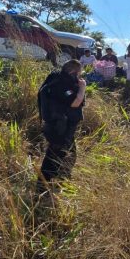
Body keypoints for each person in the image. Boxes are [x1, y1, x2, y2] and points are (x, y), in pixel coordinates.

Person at [37, 59, 86, 194]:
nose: (79, 77)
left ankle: (57, 182)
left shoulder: (54, 79)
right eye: (79, 74)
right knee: (53, 158)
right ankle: (42, 190)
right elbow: (75, 102)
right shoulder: (62, 83)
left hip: (58, 126)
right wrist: (82, 89)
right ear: (73, 72)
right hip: (59, 128)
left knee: (68, 154)